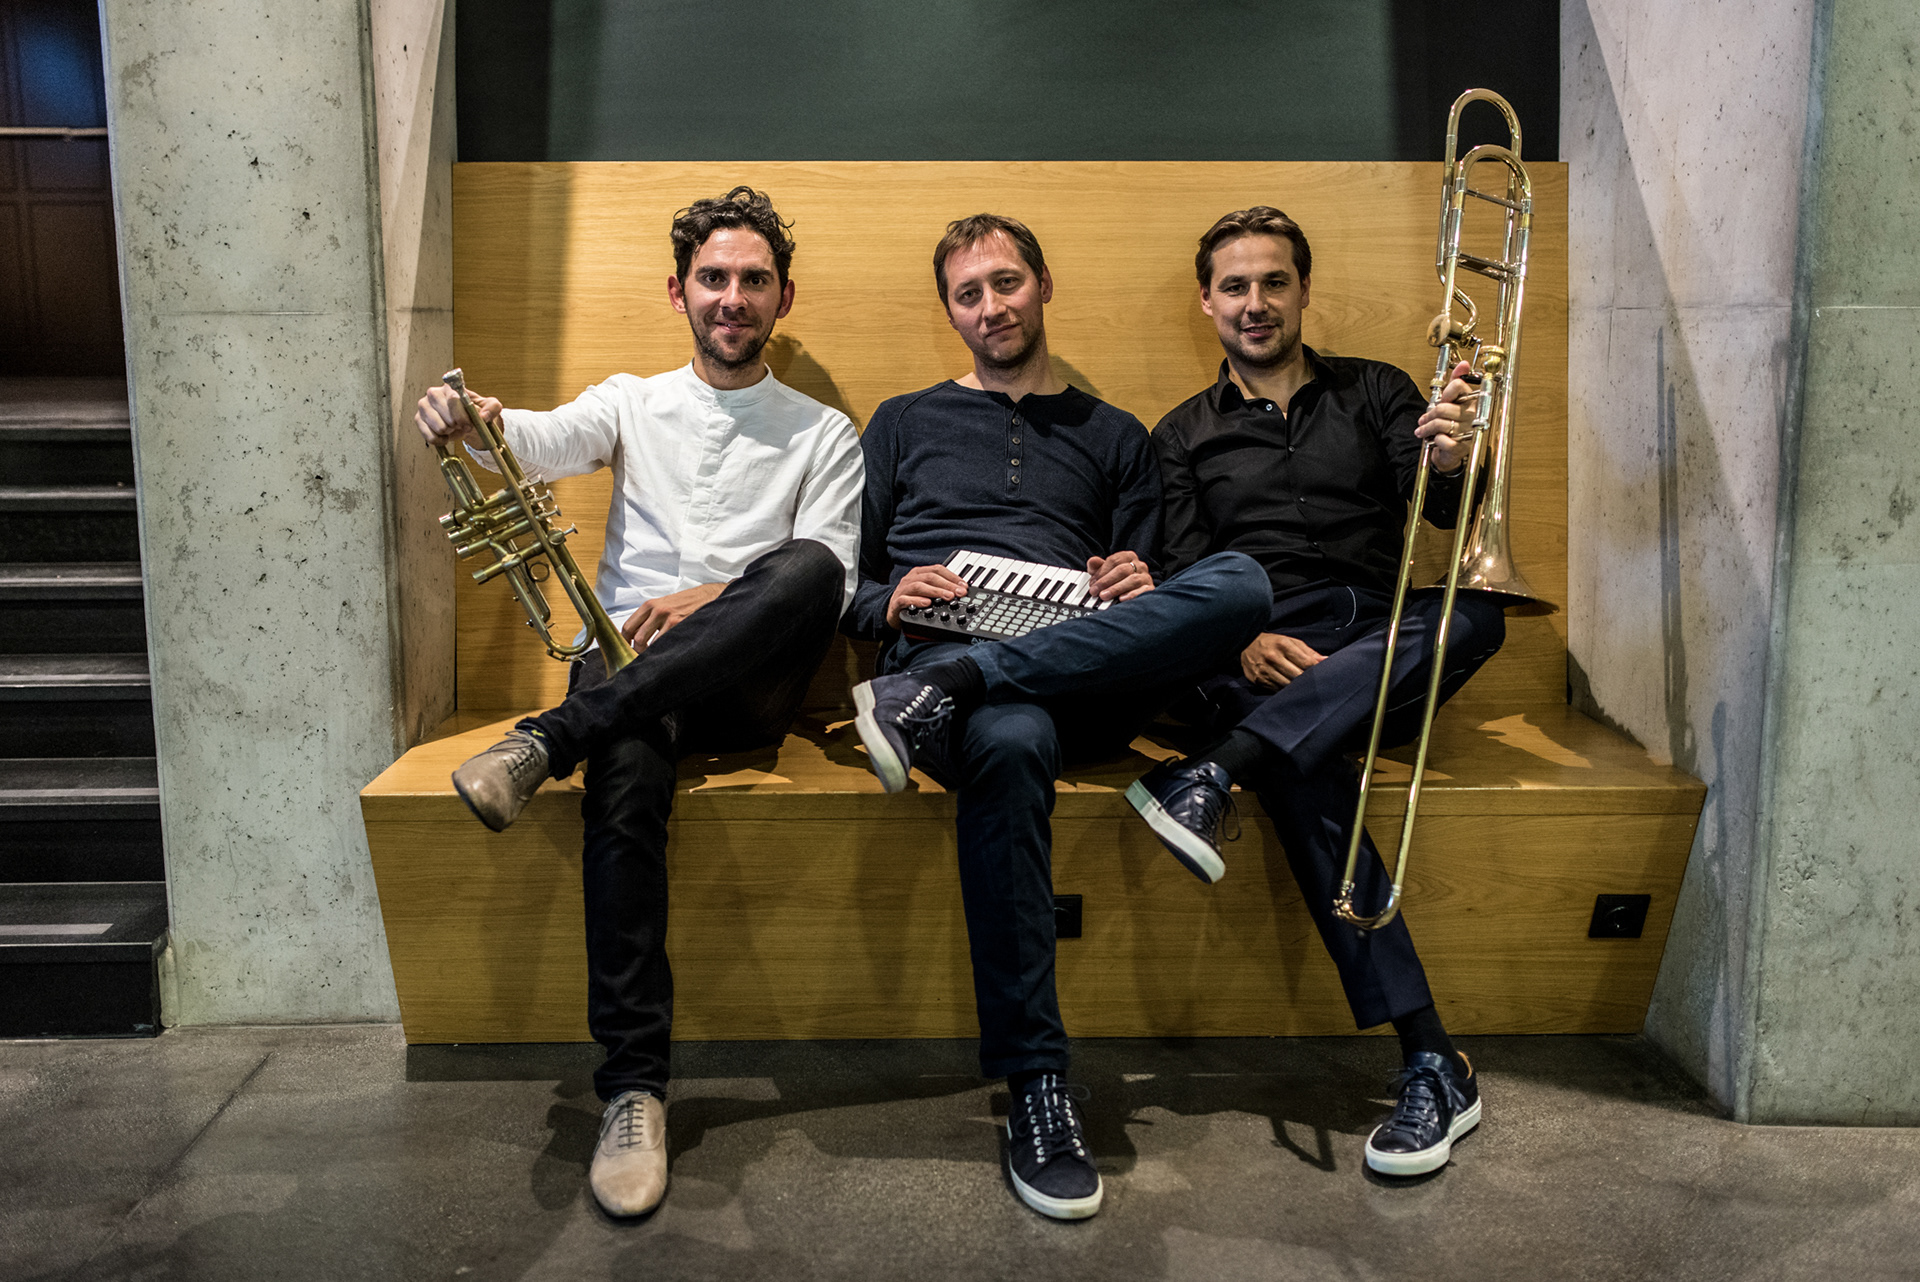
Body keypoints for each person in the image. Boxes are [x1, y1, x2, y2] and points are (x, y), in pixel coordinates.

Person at [414, 187, 862, 1218]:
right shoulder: (630, 401)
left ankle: (547, 740)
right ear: (679, 291)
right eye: (714, 278)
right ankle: (632, 1091)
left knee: (803, 567)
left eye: (754, 280)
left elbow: (832, 579)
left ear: (784, 297)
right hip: (626, 675)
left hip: (746, 684)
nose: (733, 297)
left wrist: (706, 597)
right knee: (621, 773)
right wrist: (473, 420)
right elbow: (536, 438)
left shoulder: (825, 431)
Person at [846, 213, 1271, 1220]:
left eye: (1006, 283)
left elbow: (1148, 594)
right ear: (950, 312)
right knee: (1011, 737)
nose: (991, 307)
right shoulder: (900, 423)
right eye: (969, 294)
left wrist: (1135, 578)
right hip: (947, 662)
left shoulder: (1117, 435)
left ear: (1042, 285)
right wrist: (892, 600)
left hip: (1075, 671)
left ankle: (959, 685)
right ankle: (1038, 1084)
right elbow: (847, 587)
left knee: (1241, 584)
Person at [1126, 206, 1505, 1177]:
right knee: (1306, 765)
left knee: (1477, 615)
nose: (1256, 303)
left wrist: (1452, 458)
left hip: (1379, 645)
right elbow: (1185, 576)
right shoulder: (1181, 435)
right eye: (1236, 287)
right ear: (1208, 302)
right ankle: (1432, 1058)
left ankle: (1220, 768)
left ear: (1303, 291)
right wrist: (1243, 639)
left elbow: (1443, 512)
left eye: (1274, 282)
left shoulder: (1378, 391)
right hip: (1263, 655)